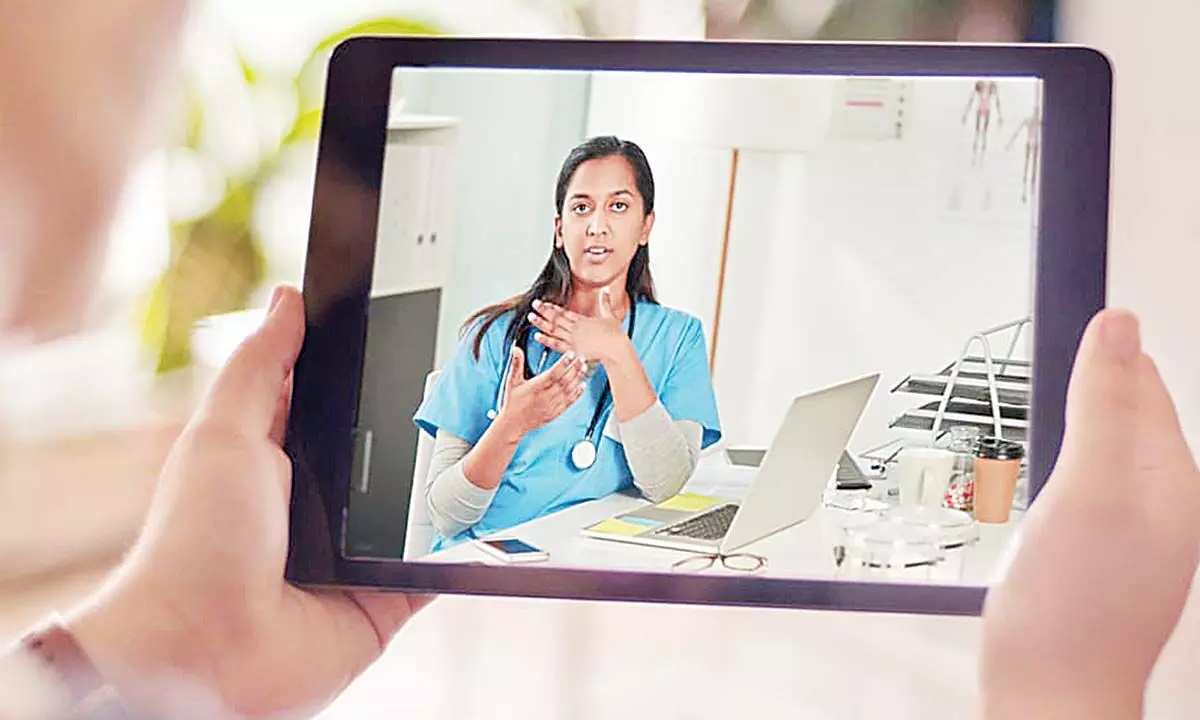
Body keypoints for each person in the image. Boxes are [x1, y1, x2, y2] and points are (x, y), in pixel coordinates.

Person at [412, 136, 722, 552]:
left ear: (645, 225)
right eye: (581, 207)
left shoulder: (678, 337)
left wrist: (617, 352)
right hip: (487, 564)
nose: (597, 225)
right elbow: (446, 516)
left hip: (594, 568)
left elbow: (665, 486)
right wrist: (512, 424)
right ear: (560, 230)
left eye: (618, 206)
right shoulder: (494, 335)